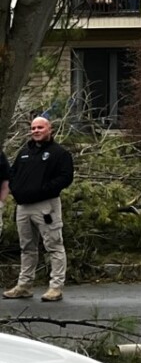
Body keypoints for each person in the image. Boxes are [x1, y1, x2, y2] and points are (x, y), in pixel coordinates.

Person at [2, 116, 74, 302]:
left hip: (46, 206)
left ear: (49, 129)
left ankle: (55, 287)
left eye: (40, 127)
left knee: (54, 246)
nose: (36, 130)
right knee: (26, 247)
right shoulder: (25, 152)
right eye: (33, 128)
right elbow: (12, 174)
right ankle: (24, 285)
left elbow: (66, 177)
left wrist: (43, 190)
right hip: (23, 207)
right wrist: (16, 191)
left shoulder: (59, 153)